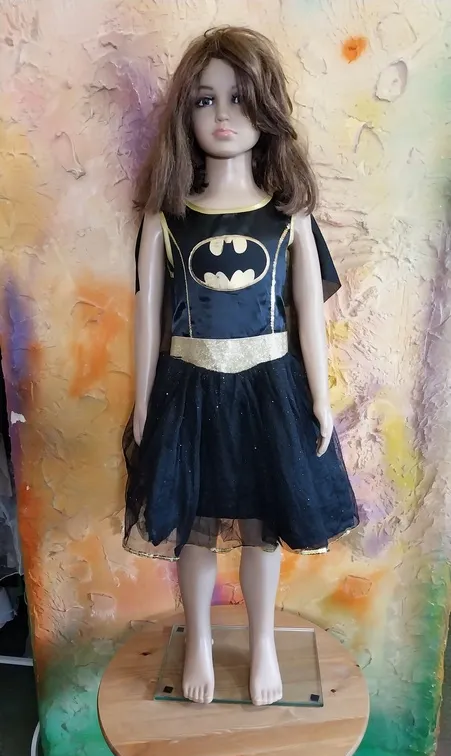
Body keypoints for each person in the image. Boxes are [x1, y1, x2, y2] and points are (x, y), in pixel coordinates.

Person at [123, 26, 359, 706]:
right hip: (188, 388)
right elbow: (147, 318)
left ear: (267, 109)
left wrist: (320, 400)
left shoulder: (289, 216)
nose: (222, 115)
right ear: (185, 113)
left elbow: (308, 315)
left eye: (239, 98)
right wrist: (143, 403)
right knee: (191, 528)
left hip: (270, 389)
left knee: (263, 531)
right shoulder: (165, 219)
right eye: (205, 100)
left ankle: (262, 645)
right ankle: (197, 639)